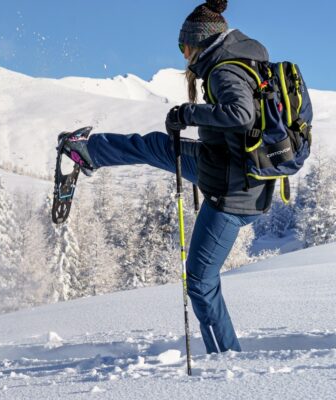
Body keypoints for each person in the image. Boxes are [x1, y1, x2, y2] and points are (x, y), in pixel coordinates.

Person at [61, 0, 268, 354]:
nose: (183, 54)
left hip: (233, 191)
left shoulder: (223, 70)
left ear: (199, 42)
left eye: (183, 46)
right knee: (159, 146)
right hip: (228, 168)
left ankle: (228, 361)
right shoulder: (243, 57)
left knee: (201, 283)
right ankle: (89, 151)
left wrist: (189, 113)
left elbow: (241, 113)